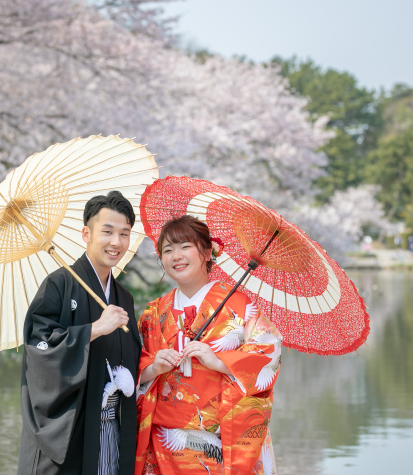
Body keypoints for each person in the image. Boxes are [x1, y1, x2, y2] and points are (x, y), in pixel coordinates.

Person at [135, 216, 282, 475]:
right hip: (160, 445)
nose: (176, 256)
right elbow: (133, 365)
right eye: (167, 250)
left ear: (206, 252)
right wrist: (153, 368)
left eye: (185, 246)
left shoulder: (239, 306)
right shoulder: (153, 312)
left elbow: (268, 354)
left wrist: (219, 361)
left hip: (219, 445)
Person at [18, 191, 142, 475]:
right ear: (86, 233)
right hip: (68, 431)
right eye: (107, 231)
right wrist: (94, 329)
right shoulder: (58, 285)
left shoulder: (123, 297)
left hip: (110, 430)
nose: (116, 242)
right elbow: (39, 350)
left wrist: (148, 370)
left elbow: (126, 363)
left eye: (124, 234)